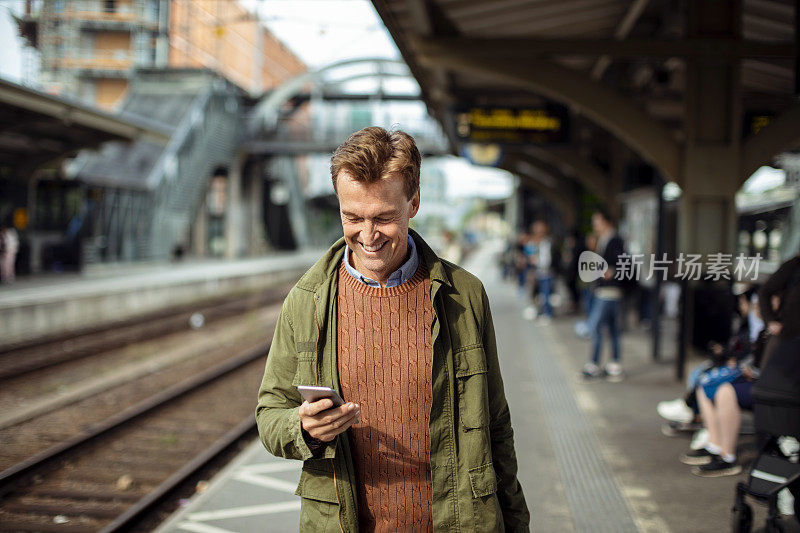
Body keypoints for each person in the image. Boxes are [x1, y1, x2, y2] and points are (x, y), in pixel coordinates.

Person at [255, 127, 529, 532]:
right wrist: (304, 428)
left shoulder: (464, 295)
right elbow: (269, 416)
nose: (367, 236)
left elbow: (496, 424)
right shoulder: (306, 300)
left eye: (383, 217)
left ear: (413, 201)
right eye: (352, 217)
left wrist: (517, 524)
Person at [582, 210, 626, 381]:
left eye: (597, 221)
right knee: (613, 328)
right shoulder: (603, 239)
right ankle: (614, 365)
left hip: (608, 291)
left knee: (595, 327)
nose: (595, 225)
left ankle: (594, 364)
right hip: (607, 291)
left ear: (606, 222)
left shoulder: (614, 239)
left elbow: (614, 266)